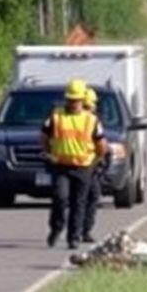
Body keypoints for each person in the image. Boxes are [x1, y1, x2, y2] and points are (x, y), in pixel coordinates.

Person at [42, 79, 107, 249]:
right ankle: (56, 227)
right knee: (60, 197)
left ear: (82, 99)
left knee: (79, 202)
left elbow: (101, 144)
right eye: (70, 99)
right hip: (61, 165)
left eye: (76, 100)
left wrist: (96, 160)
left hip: (83, 167)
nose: (73, 103)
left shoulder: (91, 120)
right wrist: (49, 153)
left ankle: (74, 237)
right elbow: (44, 136)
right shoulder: (56, 116)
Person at [81, 87, 105, 243]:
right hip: (86, 165)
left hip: (83, 165)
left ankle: (80, 230)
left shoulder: (71, 119)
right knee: (89, 197)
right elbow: (101, 144)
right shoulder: (91, 121)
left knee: (83, 198)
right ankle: (84, 231)